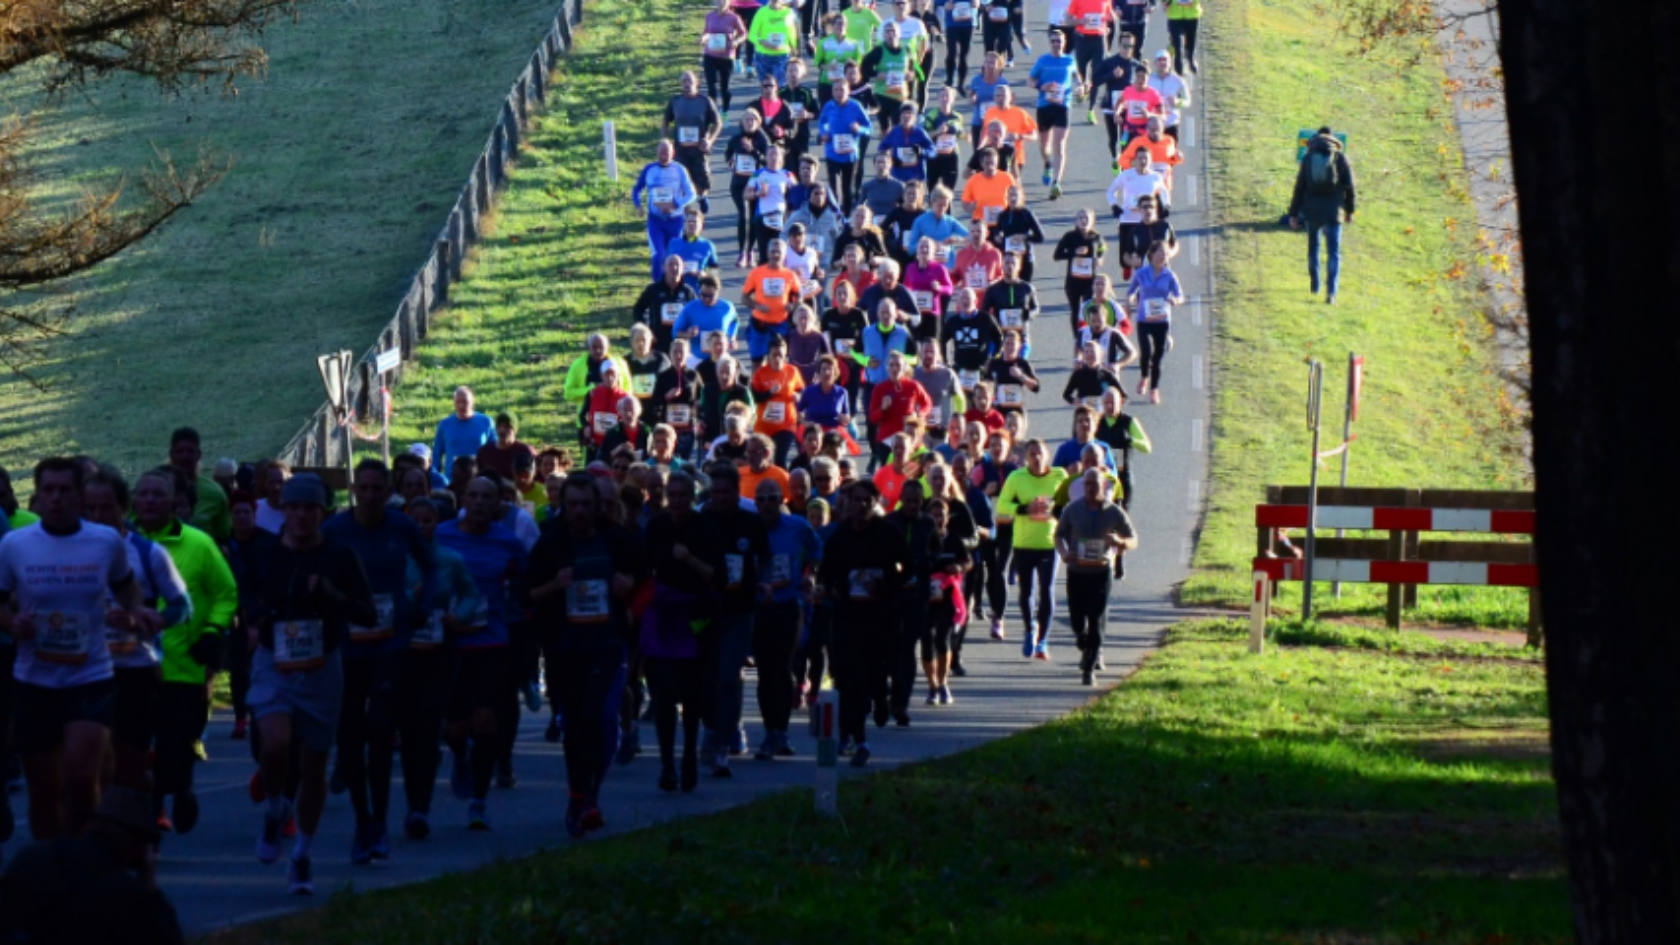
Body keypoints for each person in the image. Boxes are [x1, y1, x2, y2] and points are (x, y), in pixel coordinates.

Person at [245, 473, 377, 894]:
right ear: (282, 511)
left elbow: (367, 614)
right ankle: (275, 808)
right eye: (294, 508)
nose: (302, 516)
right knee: (275, 743)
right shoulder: (265, 552)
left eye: (310, 509)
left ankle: (301, 853)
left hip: (322, 665)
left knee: (314, 765)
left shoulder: (340, 556)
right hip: (273, 661)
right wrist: (254, 615)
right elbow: (245, 590)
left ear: (323, 513)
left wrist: (333, 596)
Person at [319, 460, 434, 864]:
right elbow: (315, 575)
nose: (370, 495)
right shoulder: (334, 530)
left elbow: (431, 565)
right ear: (354, 490)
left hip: (390, 642)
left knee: (381, 727)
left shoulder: (401, 527)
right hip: (348, 645)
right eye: (363, 488)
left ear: (388, 492)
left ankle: (380, 822)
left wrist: (424, 603)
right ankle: (363, 820)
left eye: (376, 488)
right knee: (350, 732)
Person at [524, 473, 644, 837]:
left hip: (606, 644)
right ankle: (578, 797)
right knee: (574, 726)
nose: (578, 512)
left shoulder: (615, 538)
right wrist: (553, 586)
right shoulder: (551, 543)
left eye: (585, 505)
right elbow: (527, 595)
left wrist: (629, 585)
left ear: (596, 507)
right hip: (564, 646)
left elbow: (643, 575)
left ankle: (590, 797)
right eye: (572, 504)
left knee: (594, 716)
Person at [131, 467, 238, 837]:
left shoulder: (198, 544)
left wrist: (211, 631)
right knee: (137, 745)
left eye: (158, 495)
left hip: (185, 665)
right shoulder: (119, 544)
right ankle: (152, 809)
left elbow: (226, 593)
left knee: (176, 747)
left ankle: (181, 788)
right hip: (132, 666)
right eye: (142, 494)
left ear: (175, 503)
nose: (148, 501)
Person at [80, 471, 191, 802]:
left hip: (134, 670)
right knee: (91, 764)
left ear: (124, 507)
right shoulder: (71, 550)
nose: (97, 517)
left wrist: (149, 619)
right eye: (90, 508)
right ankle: (97, 839)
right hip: (82, 671)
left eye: (105, 508)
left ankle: (139, 836)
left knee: (130, 766)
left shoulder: (148, 553)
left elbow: (182, 607)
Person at [0, 787, 183, 945]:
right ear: (138, 849)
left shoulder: (31, 859)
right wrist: (149, 883)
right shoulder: (127, 896)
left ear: (89, 825)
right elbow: (167, 938)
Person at [816, 480, 912, 766]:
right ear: (847, 504)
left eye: (867, 501)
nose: (861, 506)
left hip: (881, 615)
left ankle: (882, 699)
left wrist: (886, 586)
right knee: (849, 678)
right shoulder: (839, 538)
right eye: (856, 500)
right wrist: (829, 589)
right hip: (848, 616)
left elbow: (909, 568)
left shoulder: (887, 533)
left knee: (878, 670)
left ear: (876, 503)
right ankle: (858, 740)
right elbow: (825, 574)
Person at [697, 466, 771, 777]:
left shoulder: (751, 522)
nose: (721, 497)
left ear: (736, 492)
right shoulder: (700, 522)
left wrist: (764, 582)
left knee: (728, 676)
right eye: (716, 492)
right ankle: (713, 727)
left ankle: (721, 745)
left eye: (727, 491)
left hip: (740, 610)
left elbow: (764, 558)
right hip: (704, 612)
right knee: (705, 679)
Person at [750, 479, 822, 758]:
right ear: (755, 502)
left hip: (789, 606)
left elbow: (816, 553)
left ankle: (781, 732)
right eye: (762, 499)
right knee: (765, 673)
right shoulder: (750, 526)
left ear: (782, 500)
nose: (767, 504)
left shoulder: (798, 526)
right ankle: (771, 732)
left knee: (781, 668)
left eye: (772, 498)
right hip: (758, 609)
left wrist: (811, 577)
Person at [1056, 466, 1137, 684]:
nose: (1090, 488)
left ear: (1103, 486)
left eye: (1095, 484)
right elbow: (1059, 535)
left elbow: (1132, 539)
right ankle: (1084, 643)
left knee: (1096, 618)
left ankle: (1089, 668)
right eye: (1087, 484)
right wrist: (1064, 553)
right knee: (1077, 622)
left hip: (1101, 572)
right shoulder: (1073, 510)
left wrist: (1120, 543)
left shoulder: (1113, 512)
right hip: (1077, 571)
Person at [996, 440, 1067, 659]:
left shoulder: (1059, 476)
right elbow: (1002, 506)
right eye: (1032, 455)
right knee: (1026, 592)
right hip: (1024, 543)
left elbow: (1069, 504)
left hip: (1049, 543)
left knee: (1047, 590)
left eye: (1040, 454)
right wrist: (1024, 508)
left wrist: (1055, 509)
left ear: (1047, 456)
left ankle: (1043, 641)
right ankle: (1029, 629)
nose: (1036, 458)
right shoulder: (1017, 478)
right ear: (1026, 458)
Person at [1288, 126, 1357, 304]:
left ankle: (1315, 286)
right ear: (1333, 139)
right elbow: (1349, 188)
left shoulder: (1308, 159)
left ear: (1315, 140)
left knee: (1314, 248)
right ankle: (1331, 293)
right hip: (1334, 212)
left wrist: (1293, 214)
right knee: (1333, 252)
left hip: (1312, 212)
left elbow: (1299, 188)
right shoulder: (1340, 158)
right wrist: (1349, 211)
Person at [630, 141, 699, 282]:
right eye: (661, 153)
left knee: (674, 258)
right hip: (656, 222)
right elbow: (636, 189)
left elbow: (691, 193)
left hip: (675, 221)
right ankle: (658, 289)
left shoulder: (679, 170)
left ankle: (675, 286)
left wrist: (676, 204)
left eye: (666, 153)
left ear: (673, 153)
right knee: (658, 257)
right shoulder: (650, 169)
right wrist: (638, 205)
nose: (663, 156)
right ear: (657, 153)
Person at [1127, 240, 1184, 403]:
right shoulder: (1141, 273)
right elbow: (1131, 291)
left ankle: (1154, 389)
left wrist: (1175, 300)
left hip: (1162, 320)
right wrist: (1129, 300)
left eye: (1166, 253)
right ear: (1151, 255)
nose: (1163, 256)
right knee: (1145, 351)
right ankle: (1144, 377)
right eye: (1160, 252)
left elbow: (1180, 295)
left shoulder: (1170, 275)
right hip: (1144, 318)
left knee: (1158, 356)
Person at [1027, 27, 1081, 198]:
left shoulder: (1069, 61)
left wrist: (1080, 86)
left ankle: (1056, 182)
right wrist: (1040, 86)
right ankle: (1048, 164)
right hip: (1044, 105)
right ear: (1049, 43)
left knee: (1059, 144)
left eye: (1060, 41)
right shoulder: (1043, 60)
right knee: (1044, 146)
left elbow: (1077, 77)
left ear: (1064, 43)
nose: (1057, 44)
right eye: (1054, 41)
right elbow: (1030, 80)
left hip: (1063, 105)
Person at [664, 71, 724, 215]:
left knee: (703, 180)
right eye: (684, 81)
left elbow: (718, 123)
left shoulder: (705, 101)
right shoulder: (675, 101)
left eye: (689, 81)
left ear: (696, 83)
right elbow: (665, 122)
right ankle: (687, 213)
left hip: (699, 149)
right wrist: (666, 142)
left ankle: (702, 196)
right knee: (681, 181)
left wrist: (709, 140)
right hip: (680, 149)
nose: (686, 84)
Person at [164, 428, 232, 545]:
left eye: (190, 451)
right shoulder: (153, 490)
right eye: (179, 451)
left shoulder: (214, 493)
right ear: (171, 454)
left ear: (199, 455)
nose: (184, 456)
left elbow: (224, 536)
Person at [816, 79, 871, 211]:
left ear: (848, 91)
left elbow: (869, 128)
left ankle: (846, 217)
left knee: (847, 189)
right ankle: (835, 215)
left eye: (842, 90)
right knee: (833, 188)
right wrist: (824, 132)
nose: (839, 93)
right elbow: (821, 122)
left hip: (850, 154)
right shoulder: (828, 106)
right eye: (836, 90)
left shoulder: (856, 106)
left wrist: (859, 129)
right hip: (832, 152)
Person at [1053, 208, 1107, 336]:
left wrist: (1099, 259)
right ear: (1076, 221)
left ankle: (1090, 334)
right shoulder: (1069, 237)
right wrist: (1074, 253)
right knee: (1076, 311)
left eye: (1087, 218)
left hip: (1089, 281)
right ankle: (1078, 338)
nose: (1083, 221)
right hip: (1073, 281)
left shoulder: (1097, 237)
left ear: (1092, 221)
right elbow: (1056, 255)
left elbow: (1102, 250)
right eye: (1080, 218)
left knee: (1088, 308)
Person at [1096, 32, 1145, 166]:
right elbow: (1095, 79)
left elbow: (1144, 84)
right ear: (1119, 45)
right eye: (1125, 45)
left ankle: (1124, 163)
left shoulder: (1136, 65)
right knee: (1113, 138)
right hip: (1110, 105)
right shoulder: (1109, 62)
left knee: (1126, 138)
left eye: (1131, 45)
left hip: (1129, 107)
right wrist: (1111, 75)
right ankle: (1114, 157)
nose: (1128, 48)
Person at [635, 255, 700, 353]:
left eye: (677, 265)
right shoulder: (653, 290)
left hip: (681, 344)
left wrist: (693, 329)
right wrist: (646, 331)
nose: (674, 268)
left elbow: (698, 313)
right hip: (658, 342)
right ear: (664, 267)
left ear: (683, 268)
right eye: (670, 265)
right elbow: (638, 310)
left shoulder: (688, 292)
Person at [430, 387, 495, 483]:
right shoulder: (445, 425)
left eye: (465, 402)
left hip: (479, 481)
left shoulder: (486, 422)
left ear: (472, 401)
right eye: (458, 402)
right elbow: (436, 456)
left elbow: (494, 450)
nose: (461, 405)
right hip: (452, 481)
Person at [746, 143, 795, 263]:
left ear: (781, 157)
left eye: (776, 154)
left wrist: (791, 210)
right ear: (766, 157)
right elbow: (745, 195)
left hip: (780, 217)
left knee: (780, 253)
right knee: (764, 255)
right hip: (762, 217)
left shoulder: (786, 174)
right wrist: (758, 194)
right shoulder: (757, 174)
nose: (773, 157)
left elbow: (797, 192)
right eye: (771, 154)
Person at [702, 0, 749, 112]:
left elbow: (744, 34)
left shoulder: (734, 17)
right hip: (710, 54)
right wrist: (703, 38)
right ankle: (713, 114)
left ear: (729, 2)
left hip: (726, 56)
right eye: (718, 0)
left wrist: (736, 42)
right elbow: (706, 31)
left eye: (724, 0)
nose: (721, 2)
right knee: (711, 88)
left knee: (724, 88)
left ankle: (725, 111)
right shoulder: (709, 16)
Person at [1118, 194, 1176, 279]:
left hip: (1163, 271)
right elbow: (1126, 255)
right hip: (1144, 274)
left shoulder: (1165, 226)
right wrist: (1132, 261)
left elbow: (1175, 244)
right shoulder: (1135, 231)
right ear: (1139, 210)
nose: (1148, 210)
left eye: (1151, 207)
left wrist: (1170, 253)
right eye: (1144, 207)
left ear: (1155, 209)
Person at [984, 328, 1038, 414]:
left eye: (1012, 344)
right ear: (1003, 346)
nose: (1009, 347)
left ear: (1018, 346)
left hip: (1017, 410)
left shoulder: (1022, 364)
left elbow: (1036, 387)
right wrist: (989, 384)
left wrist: (1021, 376)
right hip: (997, 410)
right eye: (1007, 344)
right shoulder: (994, 363)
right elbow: (985, 384)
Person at [747, 0, 801, 85]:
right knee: (767, 88)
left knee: (781, 87)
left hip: (782, 57)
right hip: (763, 57)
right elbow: (751, 35)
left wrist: (795, 51)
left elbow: (792, 33)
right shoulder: (761, 12)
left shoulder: (788, 12)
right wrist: (762, 41)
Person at [881, 100, 935, 184]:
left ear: (915, 117)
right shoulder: (894, 132)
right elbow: (881, 148)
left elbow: (933, 151)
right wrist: (890, 159)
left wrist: (922, 152)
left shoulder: (920, 133)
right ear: (900, 116)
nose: (906, 116)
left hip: (916, 177)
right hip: (897, 176)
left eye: (910, 113)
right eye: (904, 113)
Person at [960, 146, 1015, 225]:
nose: (990, 167)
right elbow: (965, 202)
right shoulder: (973, 180)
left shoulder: (1007, 178)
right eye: (987, 163)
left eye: (993, 163)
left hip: (1003, 223)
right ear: (981, 164)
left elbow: (1017, 198)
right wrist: (970, 207)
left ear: (997, 162)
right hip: (981, 226)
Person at [474, 413, 536, 481]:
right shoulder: (485, 451)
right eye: (499, 426)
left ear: (514, 430)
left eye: (507, 427)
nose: (502, 430)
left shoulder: (525, 451)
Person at [1165, 0, 1200, 73]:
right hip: (1175, 15)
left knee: (1191, 41)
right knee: (1177, 46)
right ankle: (1179, 72)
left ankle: (1191, 59)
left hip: (1191, 14)